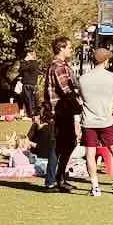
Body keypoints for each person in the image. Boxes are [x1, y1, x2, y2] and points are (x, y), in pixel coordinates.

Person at [47, 38, 86, 194]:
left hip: (65, 110)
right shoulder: (58, 67)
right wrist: (80, 106)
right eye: (69, 47)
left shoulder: (62, 66)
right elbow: (67, 90)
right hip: (61, 111)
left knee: (69, 143)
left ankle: (60, 177)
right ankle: (51, 181)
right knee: (59, 145)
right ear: (61, 48)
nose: (71, 49)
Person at [79, 48, 113, 182]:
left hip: (88, 121)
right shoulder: (112, 77)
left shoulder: (83, 78)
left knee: (90, 153)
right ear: (106, 60)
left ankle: (94, 185)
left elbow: (82, 97)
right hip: (106, 119)